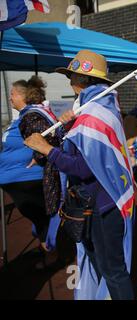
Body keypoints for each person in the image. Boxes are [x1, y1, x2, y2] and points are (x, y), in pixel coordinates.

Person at [24, 49, 134, 300]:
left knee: (112, 271)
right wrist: (68, 130)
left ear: (83, 80)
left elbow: (83, 167)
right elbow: (85, 153)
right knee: (103, 266)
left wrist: (46, 148)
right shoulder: (99, 107)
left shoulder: (93, 113)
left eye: (72, 76)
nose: (70, 82)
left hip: (102, 207)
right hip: (101, 203)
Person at [0, 76, 61, 267]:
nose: (10, 99)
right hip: (17, 178)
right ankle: (49, 251)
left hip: (25, 178)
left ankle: (52, 255)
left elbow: (49, 137)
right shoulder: (23, 116)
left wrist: (38, 157)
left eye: (12, 94)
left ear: (21, 96)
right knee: (39, 218)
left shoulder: (31, 115)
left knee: (40, 217)